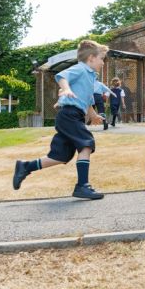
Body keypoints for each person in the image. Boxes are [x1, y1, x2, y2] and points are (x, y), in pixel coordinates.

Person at [13, 40, 109, 199]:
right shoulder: (81, 69)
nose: (103, 62)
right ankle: (82, 186)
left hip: (71, 116)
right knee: (86, 144)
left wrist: (93, 116)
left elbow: (86, 101)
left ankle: (25, 166)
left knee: (60, 155)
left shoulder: (90, 77)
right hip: (70, 115)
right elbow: (62, 76)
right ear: (91, 58)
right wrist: (66, 89)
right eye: (101, 58)